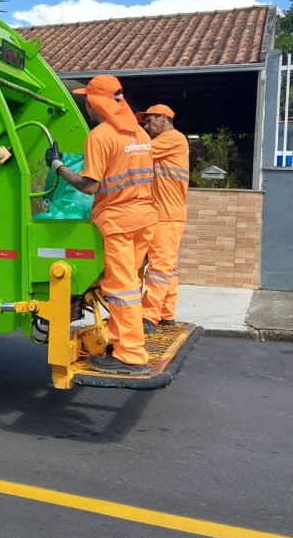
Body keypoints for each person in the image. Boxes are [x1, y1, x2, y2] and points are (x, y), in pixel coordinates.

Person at [46, 74, 158, 376]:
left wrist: (57, 166)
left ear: (96, 104)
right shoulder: (140, 135)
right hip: (144, 218)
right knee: (129, 287)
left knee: (121, 289)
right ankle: (121, 345)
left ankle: (131, 357)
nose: (86, 107)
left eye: (87, 101)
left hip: (119, 222)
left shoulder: (100, 136)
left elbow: (89, 186)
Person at [135, 104, 189, 332]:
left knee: (159, 268)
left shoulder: (172, 138)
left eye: (150, 121)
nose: (146, 126)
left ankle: (148, 316)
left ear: (165, 118)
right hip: (167, 214)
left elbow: (138, 152)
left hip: (166, 215)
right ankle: (166, 314)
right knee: (168, 266)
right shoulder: (170, 143)